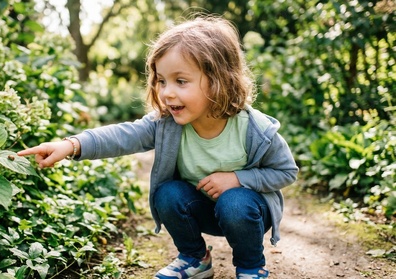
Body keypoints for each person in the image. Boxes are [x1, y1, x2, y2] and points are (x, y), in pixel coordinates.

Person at [18, 15, 298, 279]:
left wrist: (238, 179)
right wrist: (72, 144)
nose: (167, 92)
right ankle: (195, 258)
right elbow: (123, 135)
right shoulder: (168, 123)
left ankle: (251, 267)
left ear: (218, 81)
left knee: (235, 200)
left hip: (245, 213)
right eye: (162, 81)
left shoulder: (255, 129)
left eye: (181, 81)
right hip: (199, 209)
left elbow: (286, 171)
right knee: (167, 193)